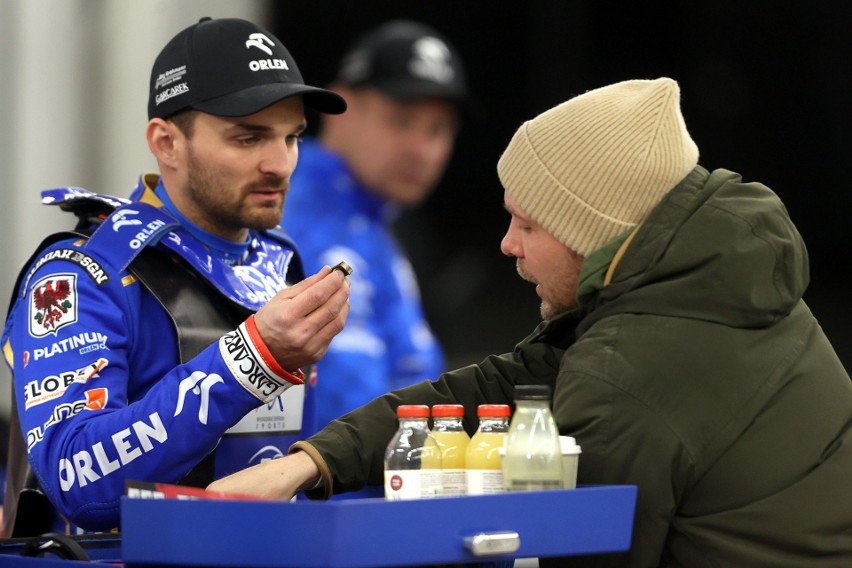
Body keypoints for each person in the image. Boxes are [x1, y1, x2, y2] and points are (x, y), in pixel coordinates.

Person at [209, 78, 852, 566]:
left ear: (593, 233)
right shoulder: (697, 292)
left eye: (528, 222)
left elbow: (576, 553)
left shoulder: (629, 376)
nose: (507, 245)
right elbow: (497, 391)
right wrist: (312, 461)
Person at [0, 17, 350, 536]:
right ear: (166, 143)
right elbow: (76, 479)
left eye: (292, 137)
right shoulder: (82, 273)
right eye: (249, 138)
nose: (281, 164)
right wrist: (252, 360)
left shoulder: (280, 261)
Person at [281, 20, 469, 433]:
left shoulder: (375, 223)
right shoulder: (298, 213)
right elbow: (347, 419)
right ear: (341, 109)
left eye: (438, 129)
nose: (422, 149)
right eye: (401, 121)